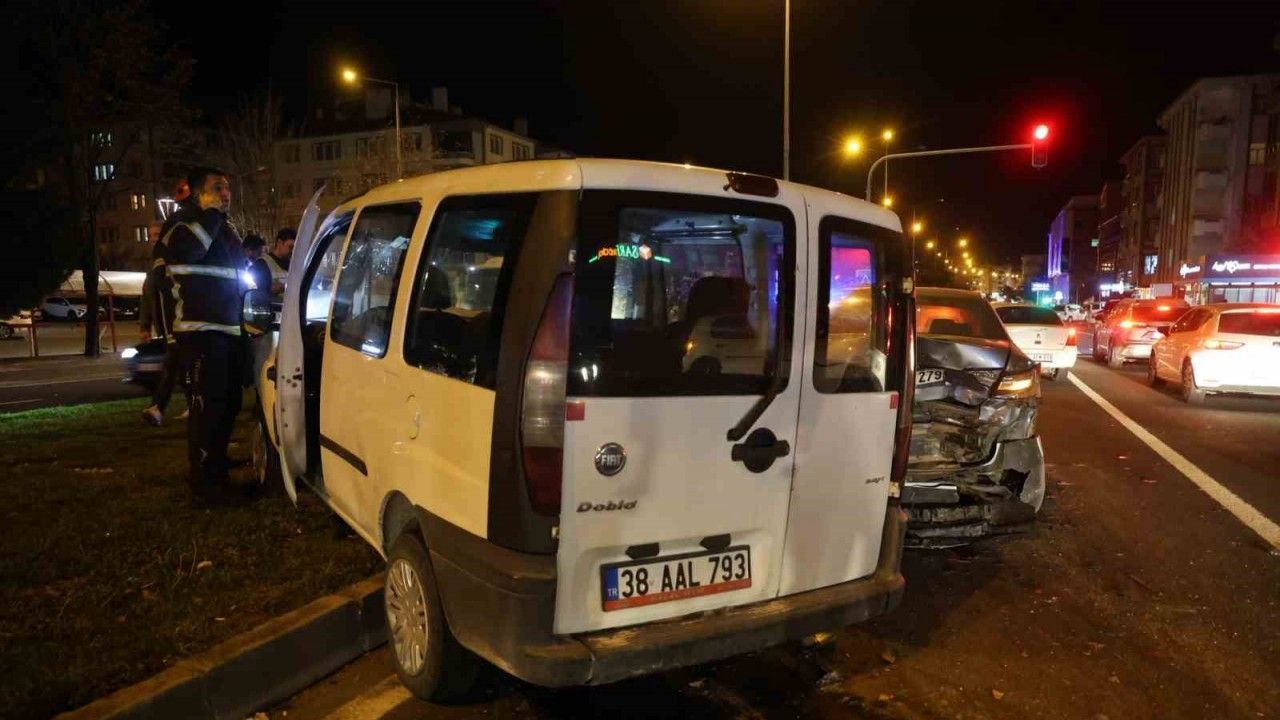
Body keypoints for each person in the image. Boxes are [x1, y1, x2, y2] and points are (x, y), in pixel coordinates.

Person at [158, 166, 251, 508]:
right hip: (199, 334)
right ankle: (204, 485)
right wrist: (211, 215)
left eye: (227, 188)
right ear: (198, 194)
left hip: (228, 330)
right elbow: (191, 254)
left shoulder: (223, 228)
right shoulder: (182, 226)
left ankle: (217, 467)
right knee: (207, 409)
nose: (226, 194)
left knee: (229, 404)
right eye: (217, 188)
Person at [139, 179, 193, 427]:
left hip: (176, 322)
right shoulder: (156, 262)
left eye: (155, 235)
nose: (152, 239)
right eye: (150, 235)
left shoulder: (165, 259)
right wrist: (145, 325)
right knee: (179, 367)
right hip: (169, 324)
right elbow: (148, 295)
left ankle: (158, 407)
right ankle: (190, 404)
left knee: (173, 366)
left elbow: (162, 292)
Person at [263, 228, 295, 298]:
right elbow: (263, 290)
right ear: (279, 243)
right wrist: (288, 286)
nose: (292, 251)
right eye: (290, 247)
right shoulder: (263, 263)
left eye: (295, 248)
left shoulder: (294, 264)